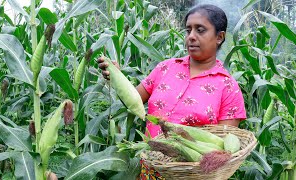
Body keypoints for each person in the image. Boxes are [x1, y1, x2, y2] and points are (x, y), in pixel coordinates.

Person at [98, 4, 246, 180]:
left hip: (192, 175)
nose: (191, 36)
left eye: (200, 30)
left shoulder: (227, 86)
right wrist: (116, 77)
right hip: (151, 170)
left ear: (219, 37)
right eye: (188, 30)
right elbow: (133, 101)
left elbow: (223, 148)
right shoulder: (165, 68)